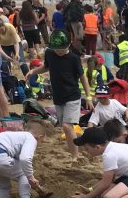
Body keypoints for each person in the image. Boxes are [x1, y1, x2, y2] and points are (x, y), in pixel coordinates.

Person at [26, 30, 88, 161]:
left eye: (62, 49)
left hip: (73, 94)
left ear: (69, 45)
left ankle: (75, 156)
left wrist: (88, 96)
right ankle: (77, 148)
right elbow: (46, 67)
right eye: (57, 50)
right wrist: (33, 71)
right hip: (58, 95)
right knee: (65, 127)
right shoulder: (50, 53)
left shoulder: (74, 58)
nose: (59, 52)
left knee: (67, 125)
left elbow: (83, 78)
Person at [0, 120, 50, 198]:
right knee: (24, 171)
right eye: (41, 142)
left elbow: (15, 156)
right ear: (39, 137)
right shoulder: (31, 138)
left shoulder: (14, 136)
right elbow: (25, 159)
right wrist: (30, 177)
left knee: (2, 185)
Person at [72, 126, 128, 198]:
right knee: (103, 194)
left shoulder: (109, 155)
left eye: (87, 149)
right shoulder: (111, 146)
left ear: (97, 147)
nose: (86, 152)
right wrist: (90, 190)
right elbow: (106, 180)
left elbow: (106, 183)